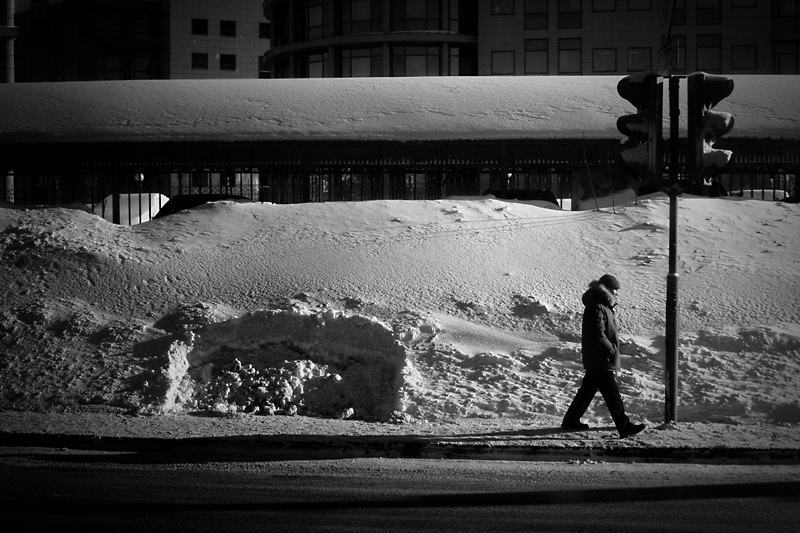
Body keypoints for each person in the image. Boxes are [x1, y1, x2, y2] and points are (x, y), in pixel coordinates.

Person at [561, 274, 646, 439]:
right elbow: (598, 334)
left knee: (587, 390)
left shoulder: (603, 306)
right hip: (600, 357)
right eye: (614, 290)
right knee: (612, 393)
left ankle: (571, 420)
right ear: (606, 289)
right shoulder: (597, 306)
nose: (617, 293)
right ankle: (624, 426)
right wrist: (611, 350)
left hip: (598, 357)